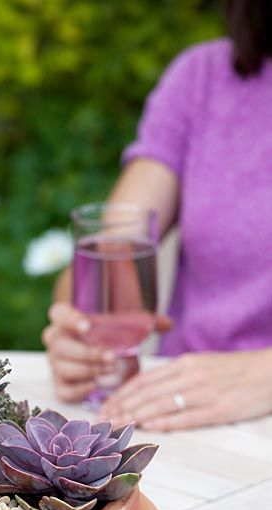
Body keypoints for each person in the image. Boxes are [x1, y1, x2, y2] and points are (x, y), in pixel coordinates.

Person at [43, 0, 272, 430]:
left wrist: (263, 374)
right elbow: (110, 247)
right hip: (175, 418)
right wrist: (76, 338)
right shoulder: (204, 79)